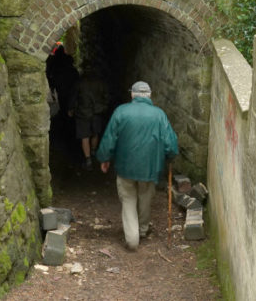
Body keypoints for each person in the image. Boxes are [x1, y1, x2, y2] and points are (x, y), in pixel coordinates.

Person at [96, 81, 178, 251]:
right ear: (149, 95)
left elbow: (109, 139)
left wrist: (104, 158)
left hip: (125, 168)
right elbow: (171, 144)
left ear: (132, 95)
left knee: (128, 200)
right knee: (146, 199)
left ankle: (132, 239)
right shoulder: (159, 115)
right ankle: (142, 230)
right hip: (150, 168)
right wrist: (170, 156)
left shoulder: (121, 111)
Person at [73, 65, 109, 171]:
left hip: (82, 113)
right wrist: (103, 107)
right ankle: (93, 151)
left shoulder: (79, 83)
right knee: (95, 133)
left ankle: (88, 159)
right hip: (97, 112)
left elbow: (74, 96)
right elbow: (106, 96)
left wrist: (70, 108)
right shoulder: (101, 82)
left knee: (85, 136)